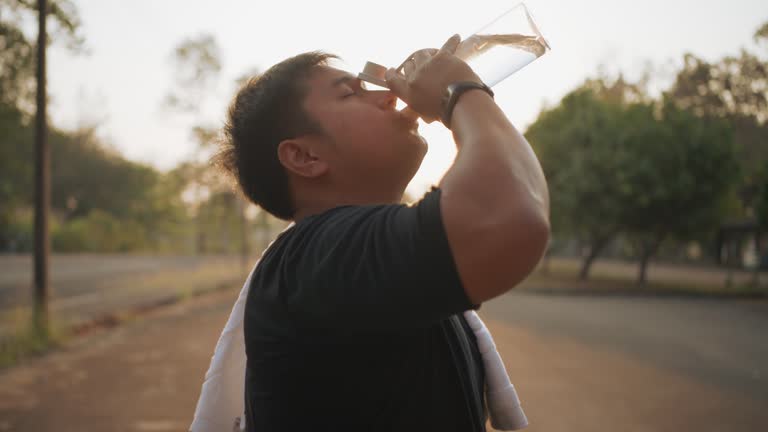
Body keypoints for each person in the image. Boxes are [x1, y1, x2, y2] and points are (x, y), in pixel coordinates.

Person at [214, 34, 550, 431]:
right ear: (304, 156)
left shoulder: (346, 257)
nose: (388, 96)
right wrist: (461, 92)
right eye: (351, 93)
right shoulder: (318, 256)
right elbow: (506, 217)